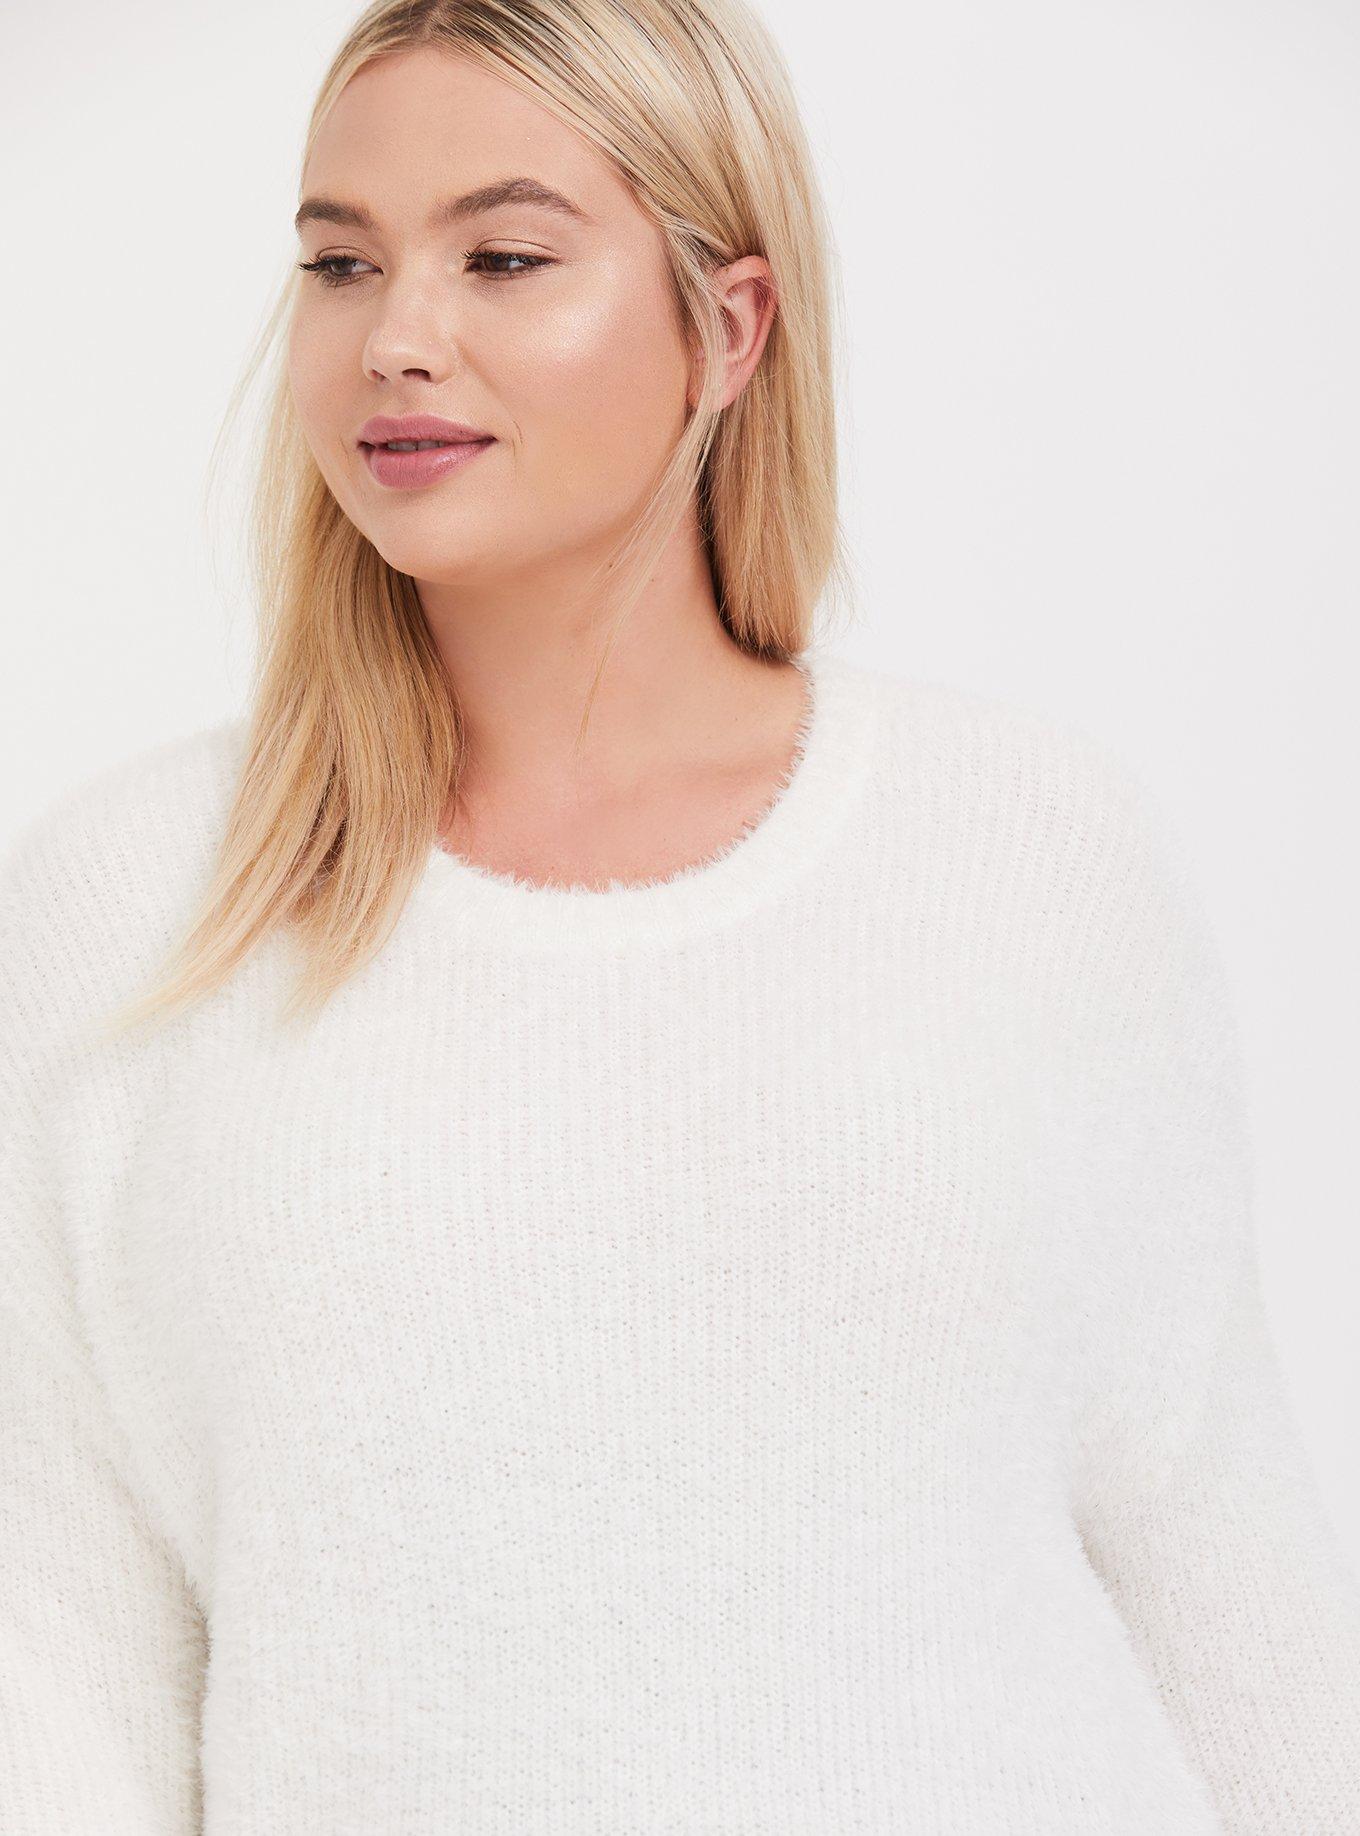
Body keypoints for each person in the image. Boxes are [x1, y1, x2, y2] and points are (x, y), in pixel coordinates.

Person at [2, 0, 1358, 1830]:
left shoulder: (1029, 856)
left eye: (503, 258)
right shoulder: (136, 908)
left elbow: (1225, 1571)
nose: (397, 337)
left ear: (730, 326)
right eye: (341, 263)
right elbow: (60, 1661)